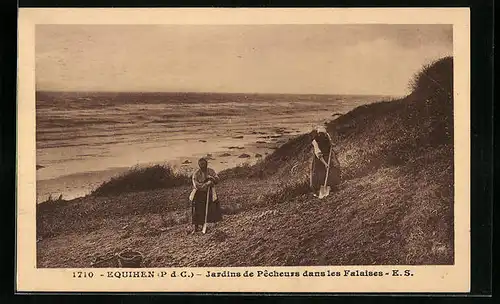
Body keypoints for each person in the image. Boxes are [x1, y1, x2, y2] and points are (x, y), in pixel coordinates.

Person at [188, 158, 223, 234]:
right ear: (199, 165)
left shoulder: (211, 171)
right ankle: (196, 228)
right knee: (197, 210)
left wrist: (212, 179)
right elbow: (196, 184)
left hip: (209, 192)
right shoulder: (196, 173)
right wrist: (206, 184)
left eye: (204, 164)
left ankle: (209, 224)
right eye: (201, 164)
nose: (202, 166)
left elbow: (217, 179)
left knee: (212, 207)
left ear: (206, 164)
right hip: (198, 194)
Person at [309, 125, 341, 196]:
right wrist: (325, 164)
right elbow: (318, 154)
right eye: (320, 134)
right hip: (319, 161)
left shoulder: (327, 137)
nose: (322, 136)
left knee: (331, 172)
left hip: (327, 158)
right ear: (318, 134)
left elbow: (331, 143)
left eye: (323, 134)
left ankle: (330, 187)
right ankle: (317, 192)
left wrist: (332, 145)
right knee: (319, 175)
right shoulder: (315, 142)